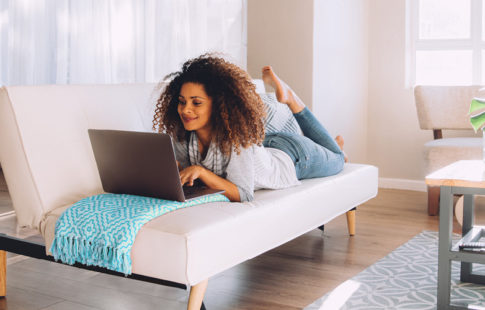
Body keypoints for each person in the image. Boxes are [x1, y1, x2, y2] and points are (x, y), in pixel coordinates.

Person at [153, 54, 346, 203]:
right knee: (332, 151)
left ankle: (292, 100)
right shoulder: (183, 135)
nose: (185, 110)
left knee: (337, 160)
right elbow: (188, 174)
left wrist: (201, 172)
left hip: (294, 157)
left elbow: (244, 194)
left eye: (196, 103)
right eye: (181, 101)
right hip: (266, 144)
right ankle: (330, 146)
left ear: (218, 105)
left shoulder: (237, 139)